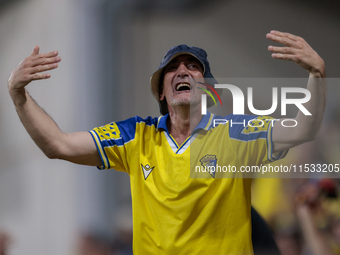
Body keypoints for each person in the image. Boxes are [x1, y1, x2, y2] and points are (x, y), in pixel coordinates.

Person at [8, 30, 326, 254]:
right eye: (171, 69)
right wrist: (18, 94)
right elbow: (57, 145)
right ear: (162, 92)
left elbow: (302, 129)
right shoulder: (136, 136)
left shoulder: (236, 133)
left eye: (192, 67)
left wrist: (317, 74)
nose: (181, 71)